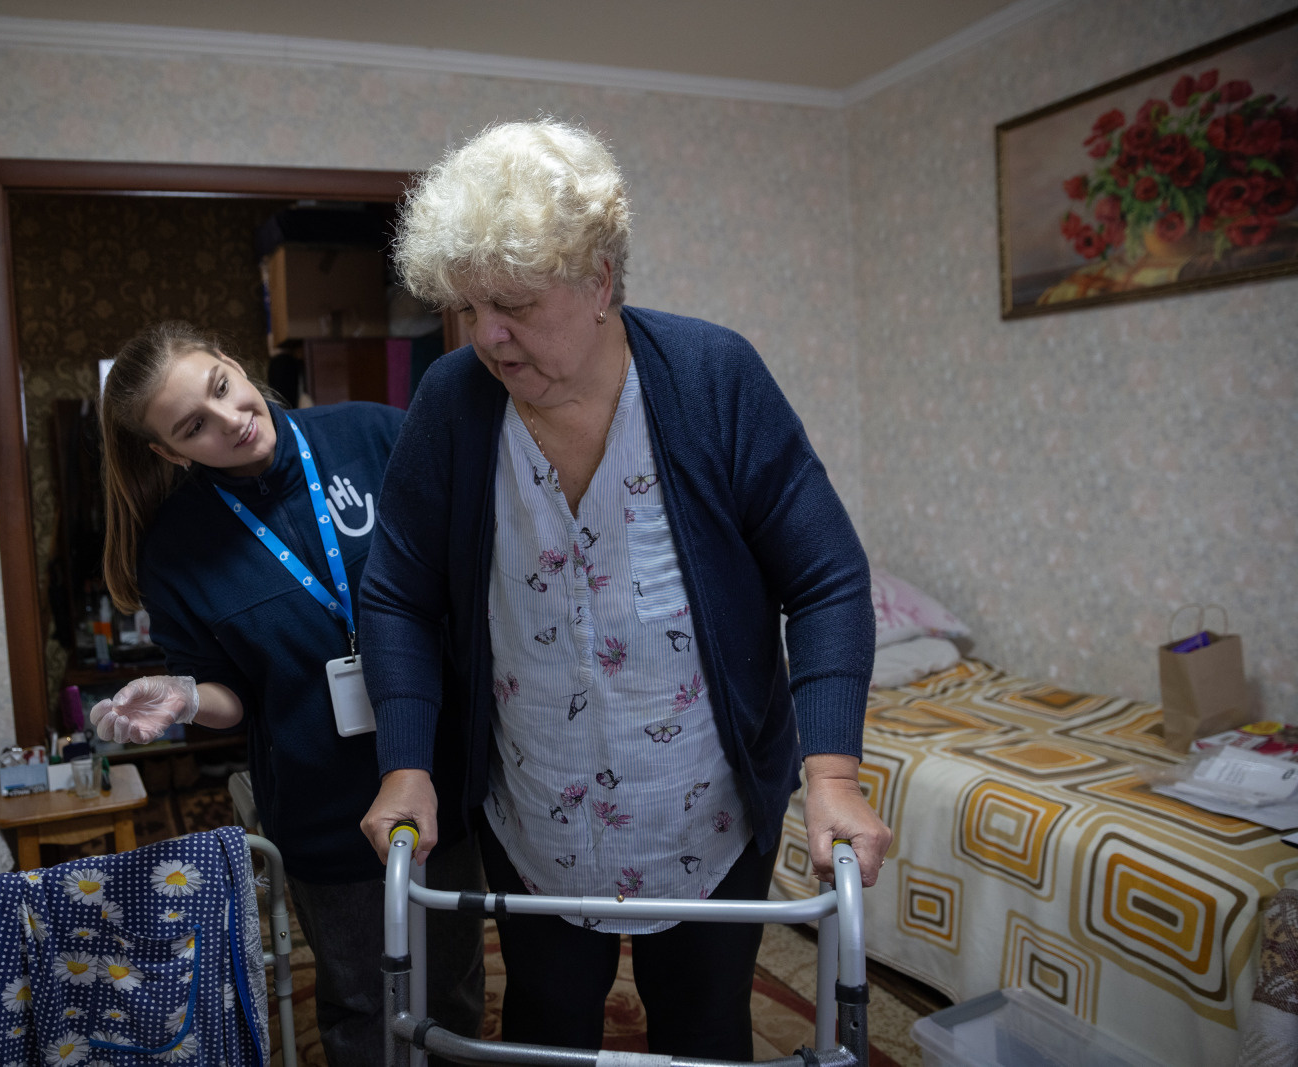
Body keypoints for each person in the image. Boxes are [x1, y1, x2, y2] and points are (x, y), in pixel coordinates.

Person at [357, 119, 891, 1060]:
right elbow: (399, 593)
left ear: (600, 280)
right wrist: (407, 761)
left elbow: (828, 578)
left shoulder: (711, 377)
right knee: (546, 1031)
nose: (487, 335)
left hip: (709, 814)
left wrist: (833, 774)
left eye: (514, 303)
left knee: (704, 1031)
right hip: (535, 815)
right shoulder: (453, 404)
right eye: (470, 305)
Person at [91, 321, 484, 1067]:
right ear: (168, 453)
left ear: (233, 364)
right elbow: (232, 697)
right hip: (321, 808)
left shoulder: (374, 435)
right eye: (193, 427)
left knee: (454, 988)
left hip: (439, 774)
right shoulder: (177, 550)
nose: (232, 419)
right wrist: (183, 695)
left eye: (222, 387)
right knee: (363, 1003)